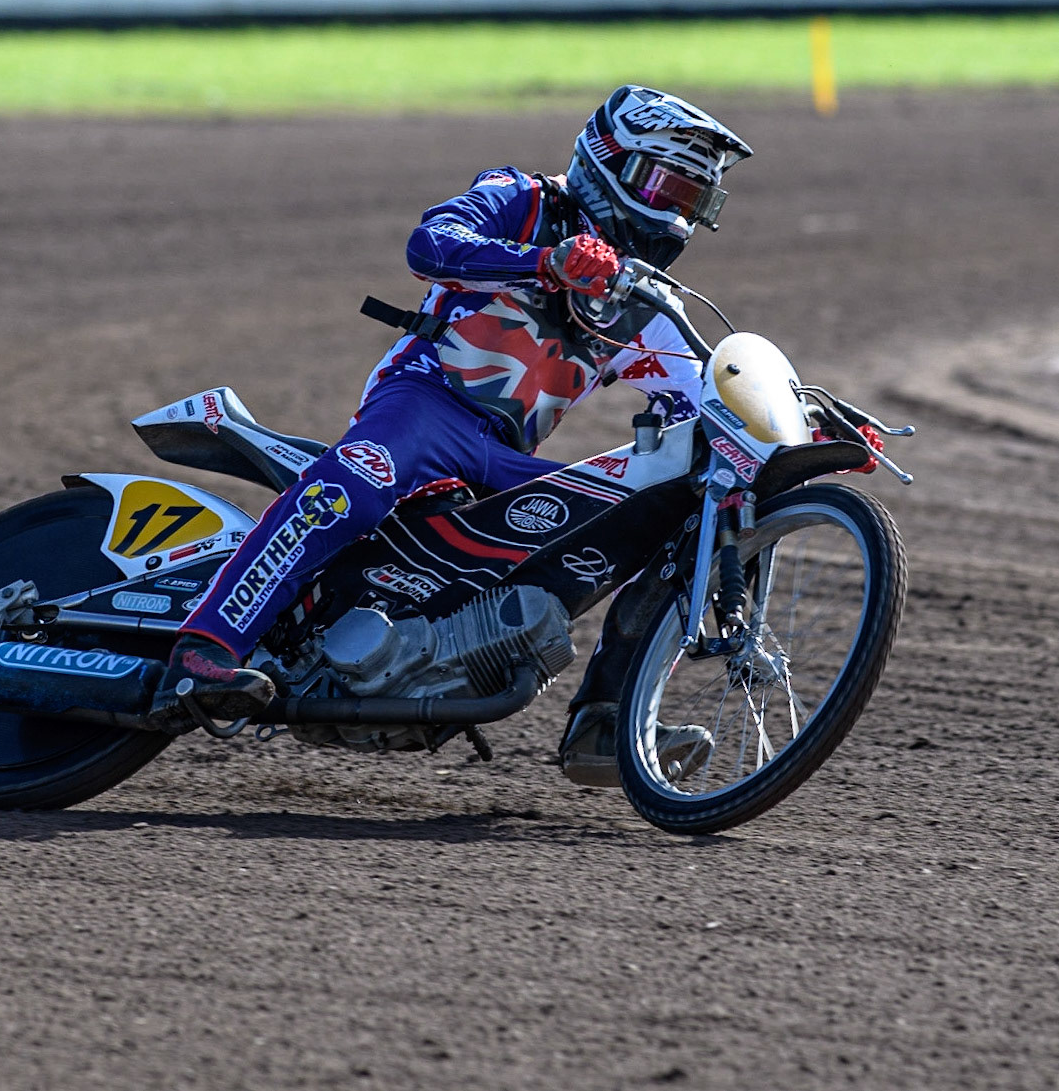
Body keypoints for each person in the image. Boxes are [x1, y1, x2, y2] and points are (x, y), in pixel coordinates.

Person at [156, 84, 754, 788]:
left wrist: (792, 430)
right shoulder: (521, 197)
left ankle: (607, 720)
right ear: (608, 161)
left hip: (498, 459)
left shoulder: (643, 300)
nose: (676, 213)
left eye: (693, 202)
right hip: (425, 403)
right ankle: (205, 644)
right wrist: (546, 262)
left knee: (657, 514)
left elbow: (701, 400)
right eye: (664, 186)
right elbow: (431, 243)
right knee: (362, 478)